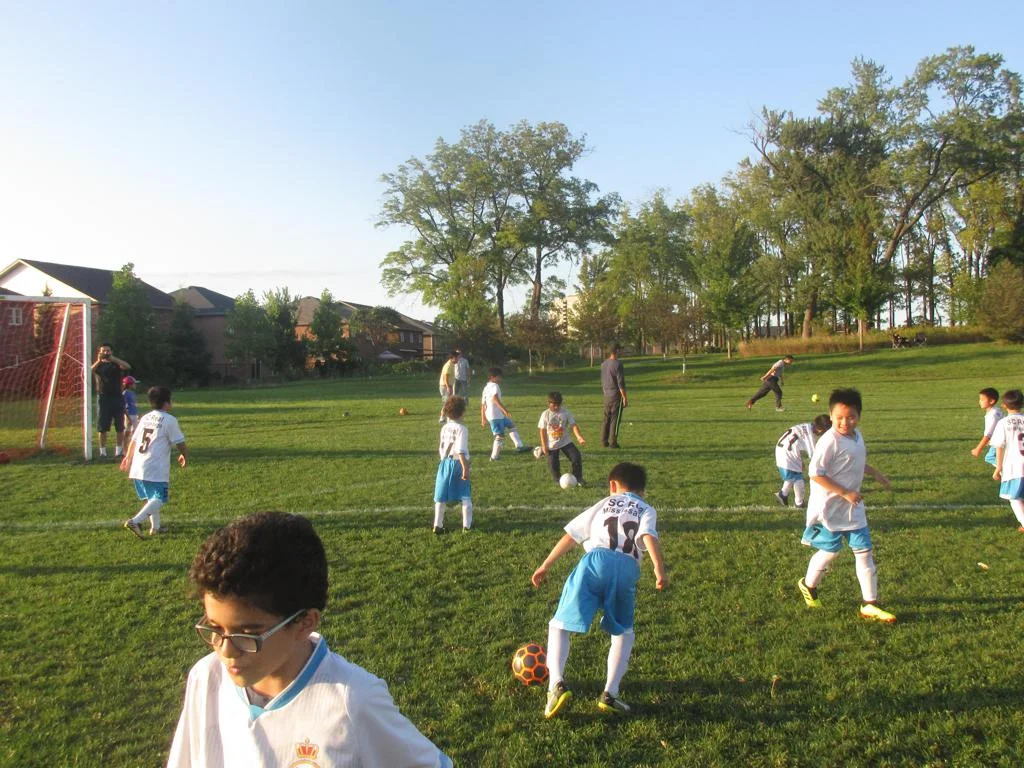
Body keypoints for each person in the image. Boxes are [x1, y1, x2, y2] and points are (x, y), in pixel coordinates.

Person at [167, 511, 452, 768]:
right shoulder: (206, 677)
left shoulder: (352, 701)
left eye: (248, 635)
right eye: (215, 629)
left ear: (305, 623)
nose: (227, 650)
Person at [531, 462, 667, 719]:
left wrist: (545, 565)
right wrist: (659, 570)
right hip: (626, 568)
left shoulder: (604, 503)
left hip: (595, 563)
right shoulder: (647, 509)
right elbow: (648, 536)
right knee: (623, 632)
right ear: (643, 491)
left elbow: (572, 536)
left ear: (613, 485)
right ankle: (610, 694)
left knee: (559, 625)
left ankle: (556, 684)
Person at [797, 388, 895, 623]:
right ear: (830, 415)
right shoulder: (829, 441)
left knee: (865, 552)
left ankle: (870, 604)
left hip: (853, 508)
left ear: (859, 416)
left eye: (851, 417)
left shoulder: (857, 436)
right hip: (829, 509)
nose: (845, 422)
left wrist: (876, 474)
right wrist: (845, 493)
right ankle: (808, 585)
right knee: (831, 552)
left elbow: (856, 462)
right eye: (839, 417)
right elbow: (815, 474)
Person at [119, 386, 188, 538]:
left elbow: (134, 440)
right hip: (155, 467)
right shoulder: (169, 420)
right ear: (167, 403)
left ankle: (155, 528)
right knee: (159, 498)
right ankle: (135, 521)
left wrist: (128, 457)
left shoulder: (145, 418)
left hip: (138, 465)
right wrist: (185, 455)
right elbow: (180, 442)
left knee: (150, 498)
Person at [433, 396, 472, 534]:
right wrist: (465, 468)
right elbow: (460, 450)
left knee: (440, 496)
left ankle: (437, 525)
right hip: (458, 463)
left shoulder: (444, 428)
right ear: (462, 412)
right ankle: (467, 527)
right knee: (465, 495)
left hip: (444, 463)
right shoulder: (462, 429)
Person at [774, 415, 831, 507]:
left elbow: (795, 443)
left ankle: (783, 495)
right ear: (821, 429)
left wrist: (800, 460)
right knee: (798, 479)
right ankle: (799, 503)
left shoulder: (807, 426)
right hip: (787, 454)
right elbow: (814, 455)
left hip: (785, 451)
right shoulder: (809, 435)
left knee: (792, 476)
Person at [990, 389, 1024, 532]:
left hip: (1014, 467)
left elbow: (999, 446)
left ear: (1004, 405)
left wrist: (998, 467)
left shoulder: (1003, 423)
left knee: (1014, 497)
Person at [537, 391, 587, 486]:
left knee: (576, 456)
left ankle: (578, 478)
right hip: (551, 444)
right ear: (548, 403)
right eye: (554, 405)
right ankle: (558, 480)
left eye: (558, 404)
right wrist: (544, 446)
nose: (556, 407)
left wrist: (579, 437)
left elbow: (573, 425)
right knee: (553, 464)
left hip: (565, 441)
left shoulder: (566, 412)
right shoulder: (545, 414)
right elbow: (542, 430)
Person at [480, 367, 529, 460]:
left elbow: (483, 404)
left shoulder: (486, 388)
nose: (500, 378)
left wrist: (483, 418)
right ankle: (494, 457)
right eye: (499, 377)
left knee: (511, 425)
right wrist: (505, 410)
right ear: (492, 377)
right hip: (495, 415)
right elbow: (495, 399)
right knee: (500, 436)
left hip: (495, 414)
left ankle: (519, 446)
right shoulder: (495, 386)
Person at [91, 343, 131, 457]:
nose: (106, 353)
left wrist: (114, 359)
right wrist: (98, 361)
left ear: (111, 351)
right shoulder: (99, 365)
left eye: (108, 351)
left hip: (117, 397)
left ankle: (118, 451)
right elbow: (89, 371)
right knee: (102, 426)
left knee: (120, 425)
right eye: (103, 351)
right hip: (104, 398)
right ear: (100, 352)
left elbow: (127, 366)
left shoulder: (116, 364)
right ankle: (102, 452)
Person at [600, 345, 628, 449]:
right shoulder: (618, 364)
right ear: (616, 351)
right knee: (615, 419)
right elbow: (620, 382)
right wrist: (624, 397)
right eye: (620, 350)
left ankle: (604, 441)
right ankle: (613, 442)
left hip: (606, 394)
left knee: (606, 418)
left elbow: (603, 380)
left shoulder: (604, 364)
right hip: (616, 395)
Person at [971, 387, 1003, 467]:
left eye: (982, 399)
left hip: (999, 441)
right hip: (1002, 440)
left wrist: (978, 449)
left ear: (991, 401)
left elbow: (988, 434)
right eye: (980, 399)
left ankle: (1007, 469)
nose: (980, 401)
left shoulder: (992, 415)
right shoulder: (996, 410)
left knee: (990, 457)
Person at [437, 351, 457, 424]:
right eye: (457, 358)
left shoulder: (452, 364)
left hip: (448, 386)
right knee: (446, 403)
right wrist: (448, 387)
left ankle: (448, 418)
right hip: (445, 386)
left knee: (449, 403)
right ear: (452, 358)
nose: (458, 359)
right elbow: (445, 377)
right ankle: (442, 418)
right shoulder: (448, 365)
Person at [122, 375, 140, 455]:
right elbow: (123, 406)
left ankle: (133, 449)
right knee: (127, 432)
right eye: (134, 384)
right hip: (129, 414)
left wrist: (137, 414)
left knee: (135, 432)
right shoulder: (125, 393)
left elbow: (134, 405)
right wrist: (128, 417)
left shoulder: (132, 393)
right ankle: (124, 450)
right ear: (129, 385)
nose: (135, 385)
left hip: (134, 414)